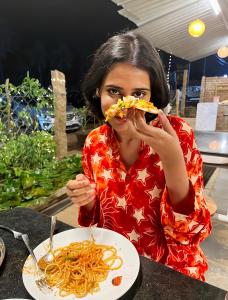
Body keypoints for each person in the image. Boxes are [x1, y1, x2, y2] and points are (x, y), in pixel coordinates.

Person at [66, 32, 211, 281]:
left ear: (152, 95)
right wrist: (86, 198)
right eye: (114, 91)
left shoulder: (177, 134)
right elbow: (96, 220)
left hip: (168, 269)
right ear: (98, 90)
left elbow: (190, 235)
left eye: (139, 94)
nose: (126, 106)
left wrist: (172, 159)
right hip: (113, 266)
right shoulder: (94, 142)